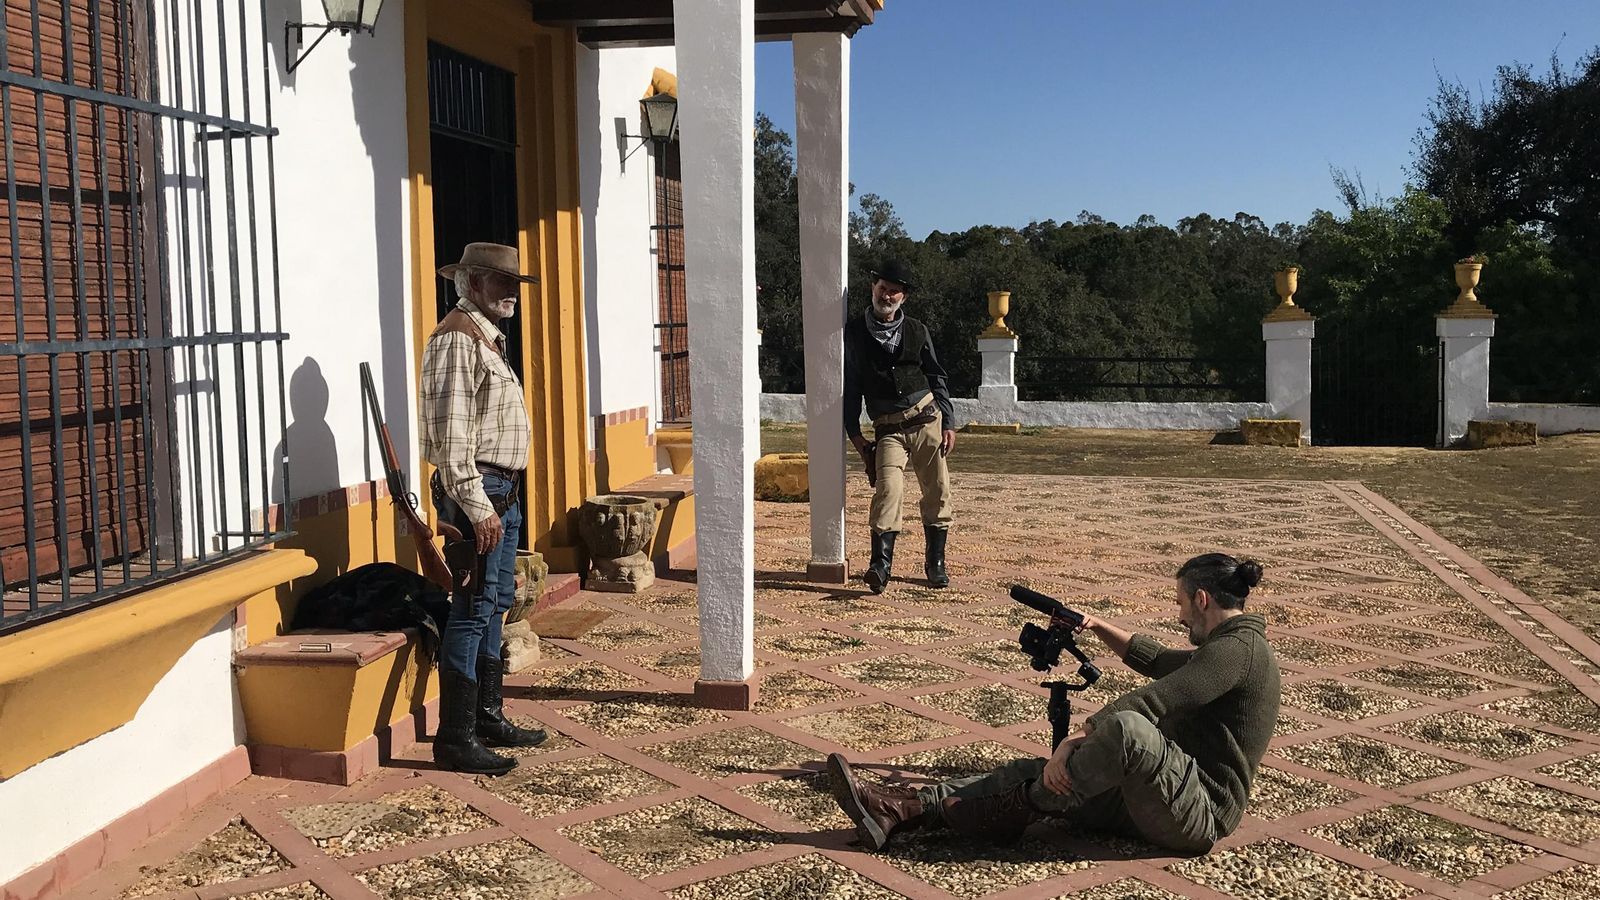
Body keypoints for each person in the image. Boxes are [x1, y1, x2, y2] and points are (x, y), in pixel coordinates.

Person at [827, 553, 1277, 855]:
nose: (1178, 616)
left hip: (1197, 815)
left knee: (1126, 729)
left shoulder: (1238, 652)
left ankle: (1016, 808)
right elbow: (1158, 660)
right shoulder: (1229, 645)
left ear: (1201, 599)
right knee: (1035, 773)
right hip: (1159, 797)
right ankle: (900, 812)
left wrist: (1076, 739)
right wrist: (1094, 623)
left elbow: (1156, 699)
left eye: (1180, 603)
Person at [420, 242, 548, 775]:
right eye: (501, 282)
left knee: (493, 603)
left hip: (502, 489)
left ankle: (486, 715)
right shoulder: (458, 339)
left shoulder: (486, 339)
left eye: (514, 283)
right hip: (481, 492)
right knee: (471, 609)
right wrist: (477, 506)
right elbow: (452, 440)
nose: (512, 293)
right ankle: (455, 736)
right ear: (471, 282)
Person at [842, 259, 957, 593]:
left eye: (894, 291)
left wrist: (948, 421)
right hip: (888, 428)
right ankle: (880, 565)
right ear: (872, 288)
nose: (887, 296)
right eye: (883, 289)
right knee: (888, 490)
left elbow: (936, 375)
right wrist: (855, 434)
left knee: (937, 490)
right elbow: (850, 387)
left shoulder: (917, 330)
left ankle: (935, 564)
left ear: (903, 297)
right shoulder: (852, 333)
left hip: (926, 420)